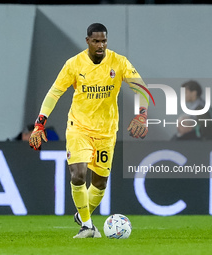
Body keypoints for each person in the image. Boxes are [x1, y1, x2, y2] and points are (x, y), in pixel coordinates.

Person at [29, 23, 149, 238]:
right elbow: (54, 92)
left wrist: (142, 114)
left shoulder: (119, 62)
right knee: (78, 175)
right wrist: (40, 123)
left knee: (100, 183)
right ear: (87, 41)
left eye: (104, 40)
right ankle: (87, 226)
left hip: (106, 131)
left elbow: (140, 87)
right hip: (79, 127)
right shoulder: (74, 64)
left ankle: (82, 215)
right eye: (96, 41)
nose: (101, 45)